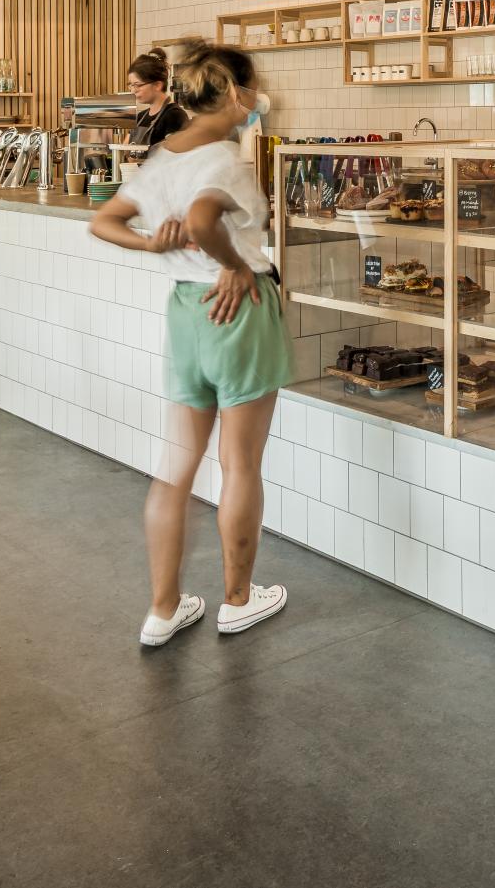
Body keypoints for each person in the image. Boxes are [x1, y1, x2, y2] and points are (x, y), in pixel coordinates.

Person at [89, 44, 295, 648]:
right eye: (253, 88)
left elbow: (104, 222)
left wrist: (154, 245)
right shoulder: (224, 157)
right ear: (236, 93)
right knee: (240, 464)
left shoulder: (161, 157)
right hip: (237, 312)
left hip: (184, 312)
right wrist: (231, 263)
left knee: (176, 467)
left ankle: (163, 609)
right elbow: (206, 218)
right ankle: (236, 599)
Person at [126, 49, 189, 149]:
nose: (133, 91)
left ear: (157, 85)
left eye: (138, 85)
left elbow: (173, 156)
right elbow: (125, 149)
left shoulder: (174, 116)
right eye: (131, 85)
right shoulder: (140, 117)